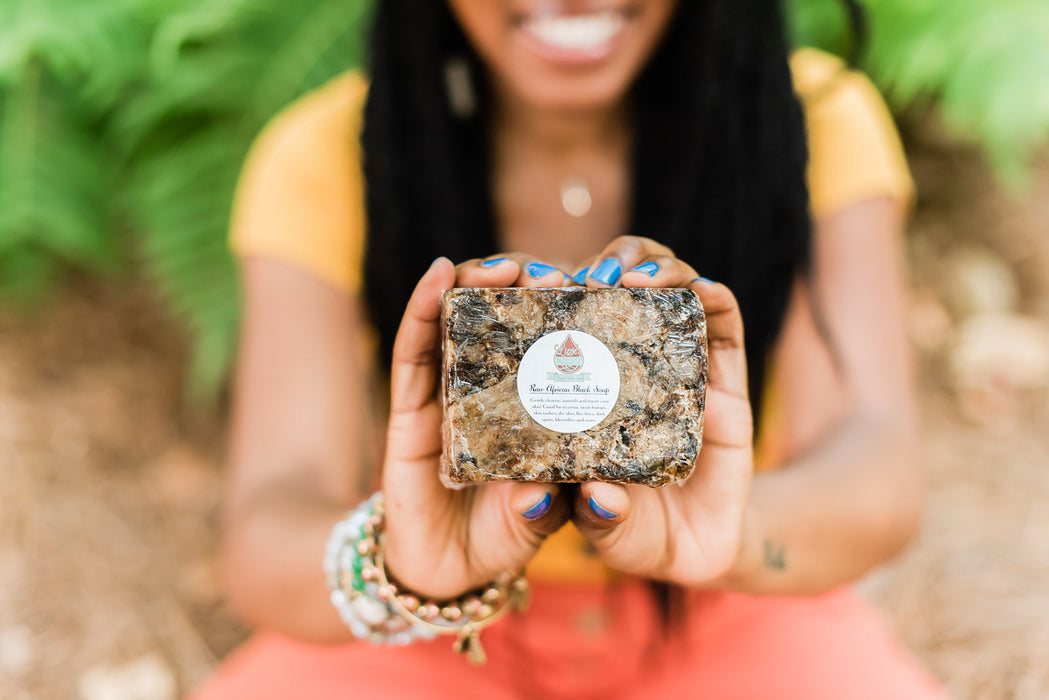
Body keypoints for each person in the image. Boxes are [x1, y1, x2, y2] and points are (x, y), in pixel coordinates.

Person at [191, 1, 945, 697]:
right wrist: (402, 565)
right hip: (427, 634)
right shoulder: (324, 155)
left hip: (732, 606)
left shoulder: (810, 123)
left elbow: (872, 465)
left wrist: (731, 531)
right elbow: (265, 532)